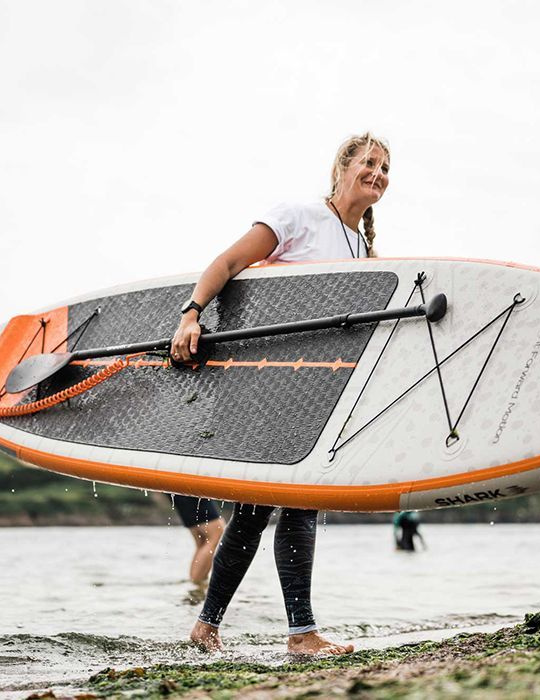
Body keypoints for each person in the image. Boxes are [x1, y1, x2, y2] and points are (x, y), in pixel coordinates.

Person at [171, 132, 390, 655]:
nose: (379, 174)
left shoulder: (362, 247)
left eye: (386, 167)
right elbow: (225, 264)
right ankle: (300, 634)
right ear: (342, 168)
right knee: (297, 503)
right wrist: (191, 313)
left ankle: (207, 627)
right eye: (370, 163)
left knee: (254, 511)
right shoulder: (297, 217)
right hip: (270, 385)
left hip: (316, 391)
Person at [171, 494, 226, 584]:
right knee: (216, 532)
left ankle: (196, 584)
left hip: (180, 484)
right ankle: (197, 584)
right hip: (187, 483)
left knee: (202, 540)